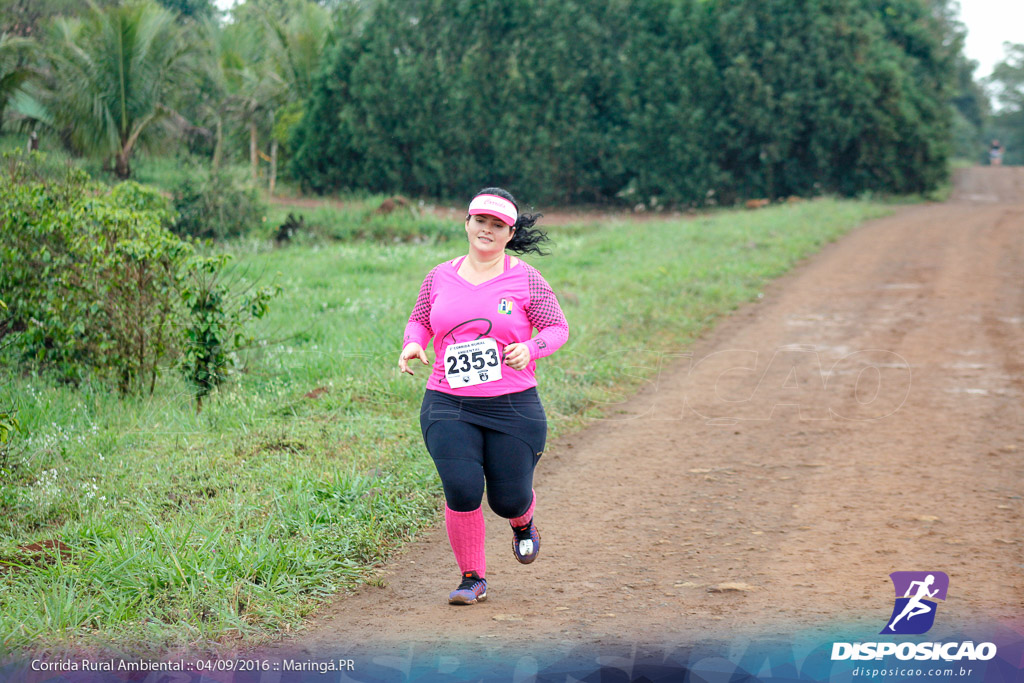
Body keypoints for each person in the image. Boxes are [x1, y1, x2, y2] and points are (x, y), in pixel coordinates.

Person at [398, 187, 568, 605]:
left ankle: (523, 522)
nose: (486, 230)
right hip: (447, 401)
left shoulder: (525, 278)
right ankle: (472, 578)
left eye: (497, 225)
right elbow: (420, 320)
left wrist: (529, 349)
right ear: (467, 223)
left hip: (513, 404)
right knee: (461, 487)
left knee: (507, 499)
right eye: (480, 221)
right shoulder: (439, 275)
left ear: (509, 233)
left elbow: (556, 329)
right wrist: (411, 344)